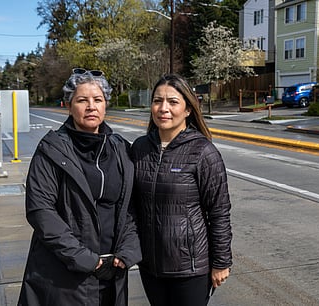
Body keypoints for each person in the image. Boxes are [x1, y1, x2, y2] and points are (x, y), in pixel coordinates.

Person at [18, 68, 142, 306]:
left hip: (113, 271)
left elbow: (131, 206)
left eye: (97, 100)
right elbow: (41, 211)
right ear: (68, 105)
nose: (91, 106)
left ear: (106, 104)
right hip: (64, 275)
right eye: (82, 100)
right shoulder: (51, 150)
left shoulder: (120, 149)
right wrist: (84, 259)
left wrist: (128, 251)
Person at [131, 74, 233, 306]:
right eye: (157, 101)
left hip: (191, 268)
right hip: (151, 266)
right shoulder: (140, 148)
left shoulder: (203, 152)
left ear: (188, 109)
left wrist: (221, 262)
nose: (163, 108)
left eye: (173, 102)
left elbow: (219, 212)